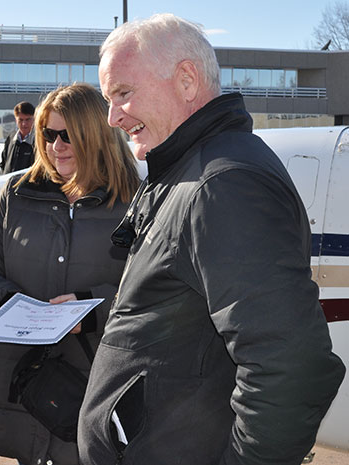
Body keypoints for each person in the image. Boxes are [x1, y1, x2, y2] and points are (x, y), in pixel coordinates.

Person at [78, 13, 346, 465]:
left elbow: (291, 366)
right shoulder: (187, 171)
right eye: (108, 99)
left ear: (186, 80)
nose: (111, 117)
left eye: (123, 94)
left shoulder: (222, 184)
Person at [0, 83, 140, 465]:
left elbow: (154, 287)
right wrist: (8, 304)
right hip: (24, 383)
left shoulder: (136, 203)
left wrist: (92, 310)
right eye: (48, 134)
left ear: (95, 135)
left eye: (68, 135)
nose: (56, 145)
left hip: (94, 383)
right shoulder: (18, 194)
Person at [0, 101, 35, 174]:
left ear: (34, 119)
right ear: (16, 120)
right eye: (20, 120)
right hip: (8, 183)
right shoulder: (11, 139)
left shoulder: (39, 141)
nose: (24, 124)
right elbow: (3, 164)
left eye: (28, 119)